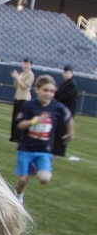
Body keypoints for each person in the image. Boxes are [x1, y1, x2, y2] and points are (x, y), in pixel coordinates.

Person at [13, 74, 73, 202]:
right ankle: (18, 197)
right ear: (37, 89)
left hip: (43, 151)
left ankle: (34, 166)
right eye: (45, 90)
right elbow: (20, 124)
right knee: (23, 179)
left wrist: (70, 133)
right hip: (26, 149)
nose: (48, 94)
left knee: (45, 179)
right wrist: (36, 121)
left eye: (51, 91)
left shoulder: (57, 107)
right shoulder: (29, 106)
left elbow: (68, 117)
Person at [53, 65, 79, 157]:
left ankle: (59, 151)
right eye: (65, 72)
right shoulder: (66, 83)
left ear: (71, 73)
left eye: (68, 73)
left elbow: (64, 97)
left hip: (67, 111)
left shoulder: (71, 84)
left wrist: (55, 93)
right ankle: (56, 150)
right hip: (62, 110)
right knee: (59, 130)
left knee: (62, 131)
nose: (66, 74)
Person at [9, 57, 34, 141]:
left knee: (21, 118)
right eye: (25, 63)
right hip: (18, 97)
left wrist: (17, 77)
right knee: (15, 117)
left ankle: (19, 136)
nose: (26, 65)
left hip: (24, 98)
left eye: (28, 64)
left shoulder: (30, 74)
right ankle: (14, 136)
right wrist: (16, 78)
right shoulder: (22, 74)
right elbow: (17, 86)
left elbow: (24, 86)